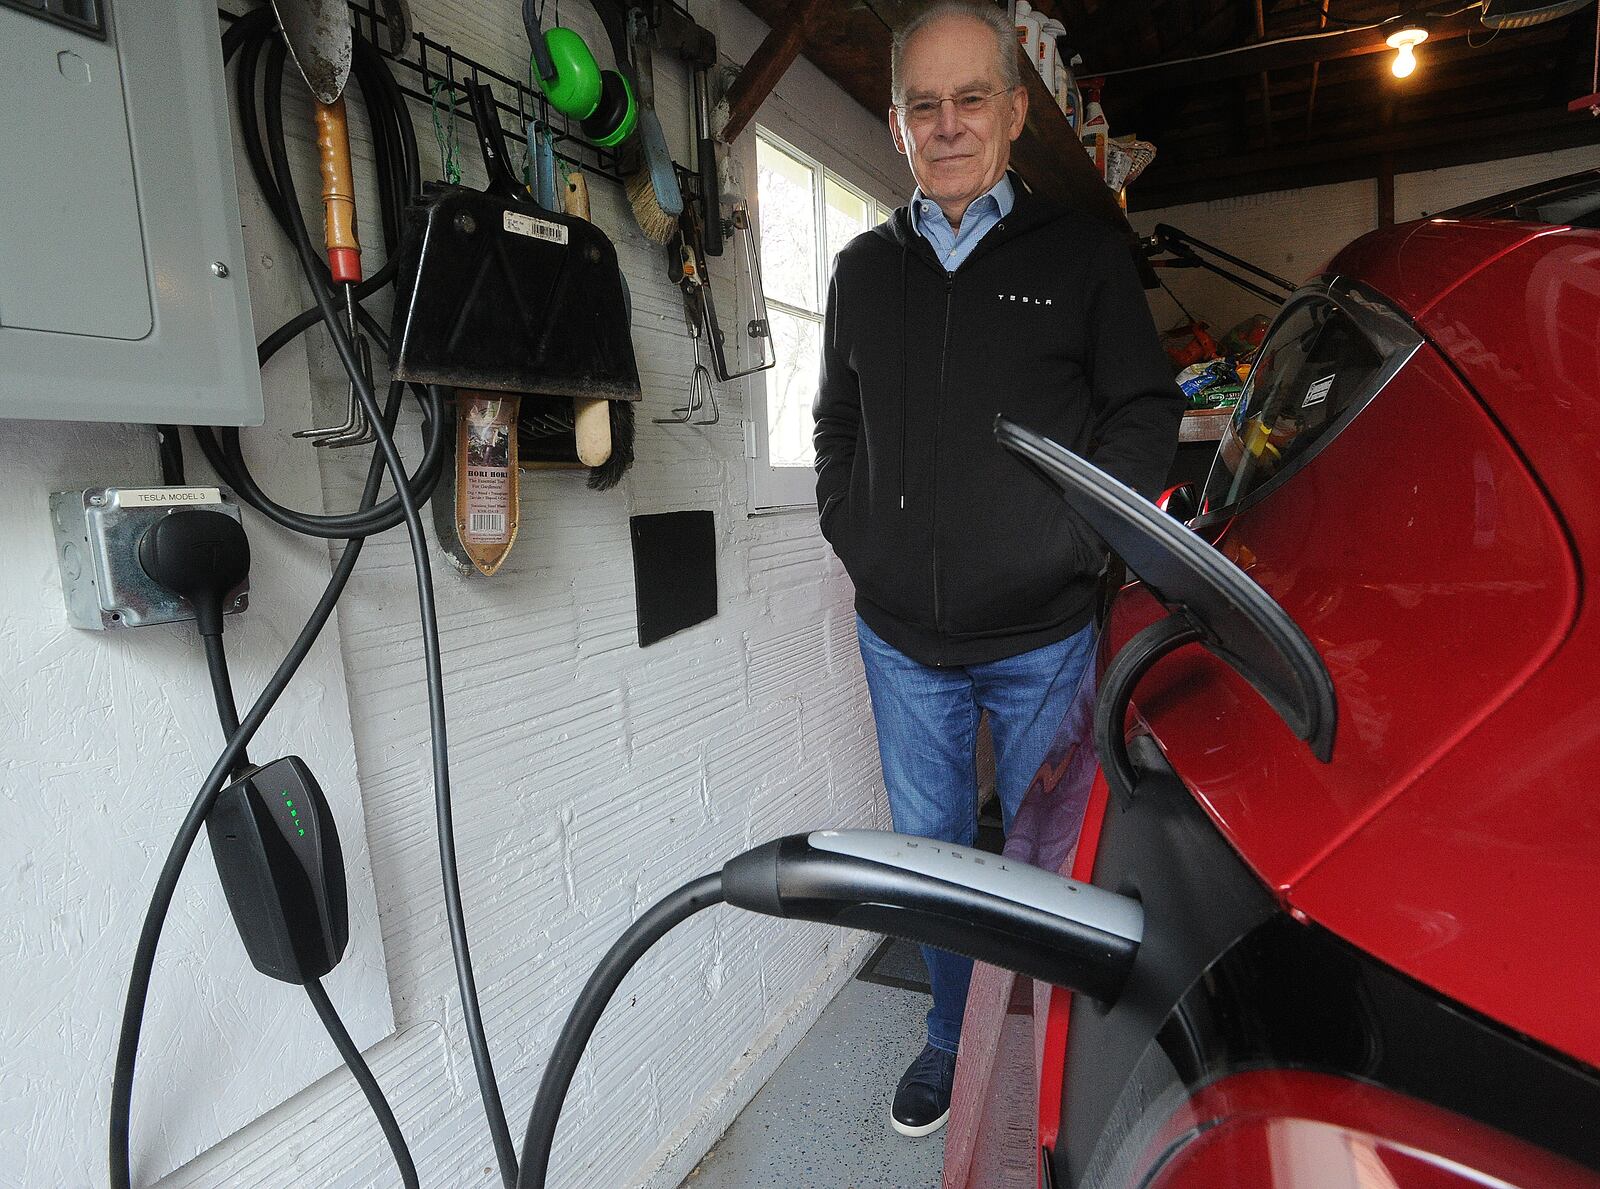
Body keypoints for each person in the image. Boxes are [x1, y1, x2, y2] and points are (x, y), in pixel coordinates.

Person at [812, 0, 1183, 1138]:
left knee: (1042, 859)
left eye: (972, 96)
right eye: (923, 103)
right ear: (895, 123)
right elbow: (837, 428)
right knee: (929, 860)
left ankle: (1044, 1046)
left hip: (1044, 639)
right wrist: (854, 527)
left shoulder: (1079, 255)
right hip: (900, 642)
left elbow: (1145, 408)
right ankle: (946, 1035)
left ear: (1017, 112)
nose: (948, 122)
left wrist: (1077, 542)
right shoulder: (862, 270)